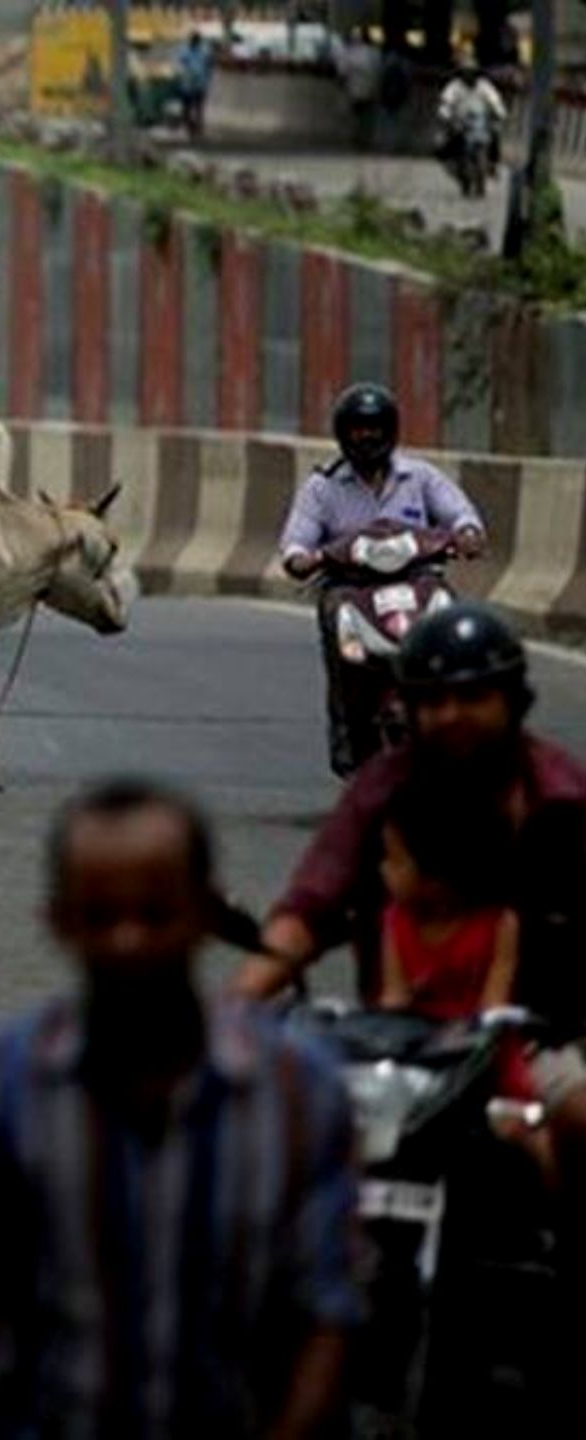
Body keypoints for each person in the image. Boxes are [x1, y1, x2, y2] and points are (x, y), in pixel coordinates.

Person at [0, 780, 359, 1439]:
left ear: (205, 915)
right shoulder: (1, 1080)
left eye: (155, 914)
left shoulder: (295, 1092)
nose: (129, 941)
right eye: (101, 917)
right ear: (58, 922)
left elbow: (326, 1312)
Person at [240, 604, 586, 1202]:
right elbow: (309, 908)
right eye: (435, 701)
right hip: (399, 1050)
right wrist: (230, 1006)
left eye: (473, 697)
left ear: (512, 700)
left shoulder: (559, 797)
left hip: (531, 1041)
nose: (453, 716)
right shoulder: (380, 791)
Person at [278, 382, 486, 775]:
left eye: (374, 428)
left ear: (391, 430)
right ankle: (347, 734)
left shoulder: (420, 477)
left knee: (456, 627)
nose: (367, 436)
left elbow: (461, 516)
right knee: (343, 645)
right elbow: (295, 545)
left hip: (418, 580)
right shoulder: (322, 487)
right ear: (342, 434)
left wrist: (468, 534)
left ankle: (464, 720)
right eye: (357, 429)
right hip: (351, 589)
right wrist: (305, 559)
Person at [373, 788, 519, 1022]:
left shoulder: (498, 925)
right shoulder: (396, 920)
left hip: (478, 1047)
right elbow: (394, 998)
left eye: (396, 861)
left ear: (436, 879)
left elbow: (494, 1008)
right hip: (418, 1041)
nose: (384, 868)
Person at [437, 58, 508, 171]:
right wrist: (445, 114)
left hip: (481, 120)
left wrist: (500, 112)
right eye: (466, 72)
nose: (469, 75)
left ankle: (493, 163)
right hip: (459, 121)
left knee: (495, 134)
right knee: (444, 143)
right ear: (461, 73)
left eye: (471, 72)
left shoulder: (484, 86)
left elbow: (495, 100)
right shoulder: (455, 86)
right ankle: (452, 163)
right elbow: (446, 102)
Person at [335, 29, 381, 152]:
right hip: (370, 88)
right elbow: (379, 71)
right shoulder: (374, 53)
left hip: (354, 89)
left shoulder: (349, 54)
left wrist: (342, 87)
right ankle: (365, 138)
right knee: (366, 115)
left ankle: (357, 137)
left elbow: (342, 74)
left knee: (356, 114)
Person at [176, 30, 215, 140]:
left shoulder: (204, 51)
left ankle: (198, 128)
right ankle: (190, 127)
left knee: (198, 108)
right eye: (193, 40)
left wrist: (208, 77)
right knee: (187, 108)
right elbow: (179, 64)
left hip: (200, 84)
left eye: (196, 40)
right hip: (187, 84)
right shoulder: (184, 50)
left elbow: (210, 64)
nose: (194, 42)